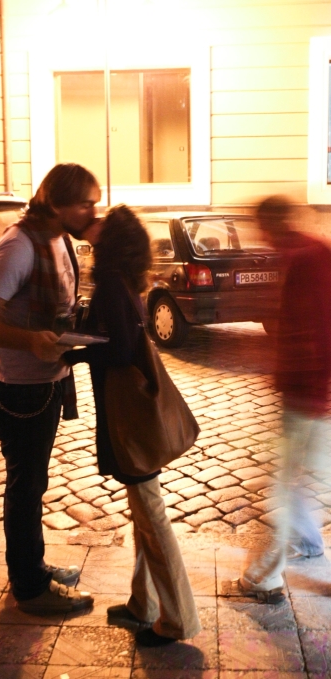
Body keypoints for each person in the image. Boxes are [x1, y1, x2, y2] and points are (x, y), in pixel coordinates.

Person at [63, 204, 201, 647]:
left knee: (151, 516)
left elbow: (120, 350)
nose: (94, 219)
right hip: (131, 410)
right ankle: (145, 604)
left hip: (129, 413)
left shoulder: (109, 283)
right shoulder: (124, 279)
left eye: (102, 219)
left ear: (113, 239)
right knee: (143, 512)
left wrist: (75, 352)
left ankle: (178, 619)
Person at [0, 163, 101, 613]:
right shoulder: (19, 246)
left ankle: (34, 567)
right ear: (58, 204)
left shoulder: (58, 239)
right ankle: (29, 587)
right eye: (85, 204)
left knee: (33, 484)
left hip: (45, 382)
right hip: (19, 390)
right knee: (25, 488)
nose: (93, 211)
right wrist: (30, 341)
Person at [224, 195, 331, 603]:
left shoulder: (304, 259)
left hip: (305, 392)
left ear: (273, 223)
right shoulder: (311, 252)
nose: (260, 234)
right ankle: (309, 542)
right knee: (298, 480)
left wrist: (302, 382)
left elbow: (312, 329)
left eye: (262, 226)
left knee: (285, 486)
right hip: (306, 389)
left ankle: (264, 577)